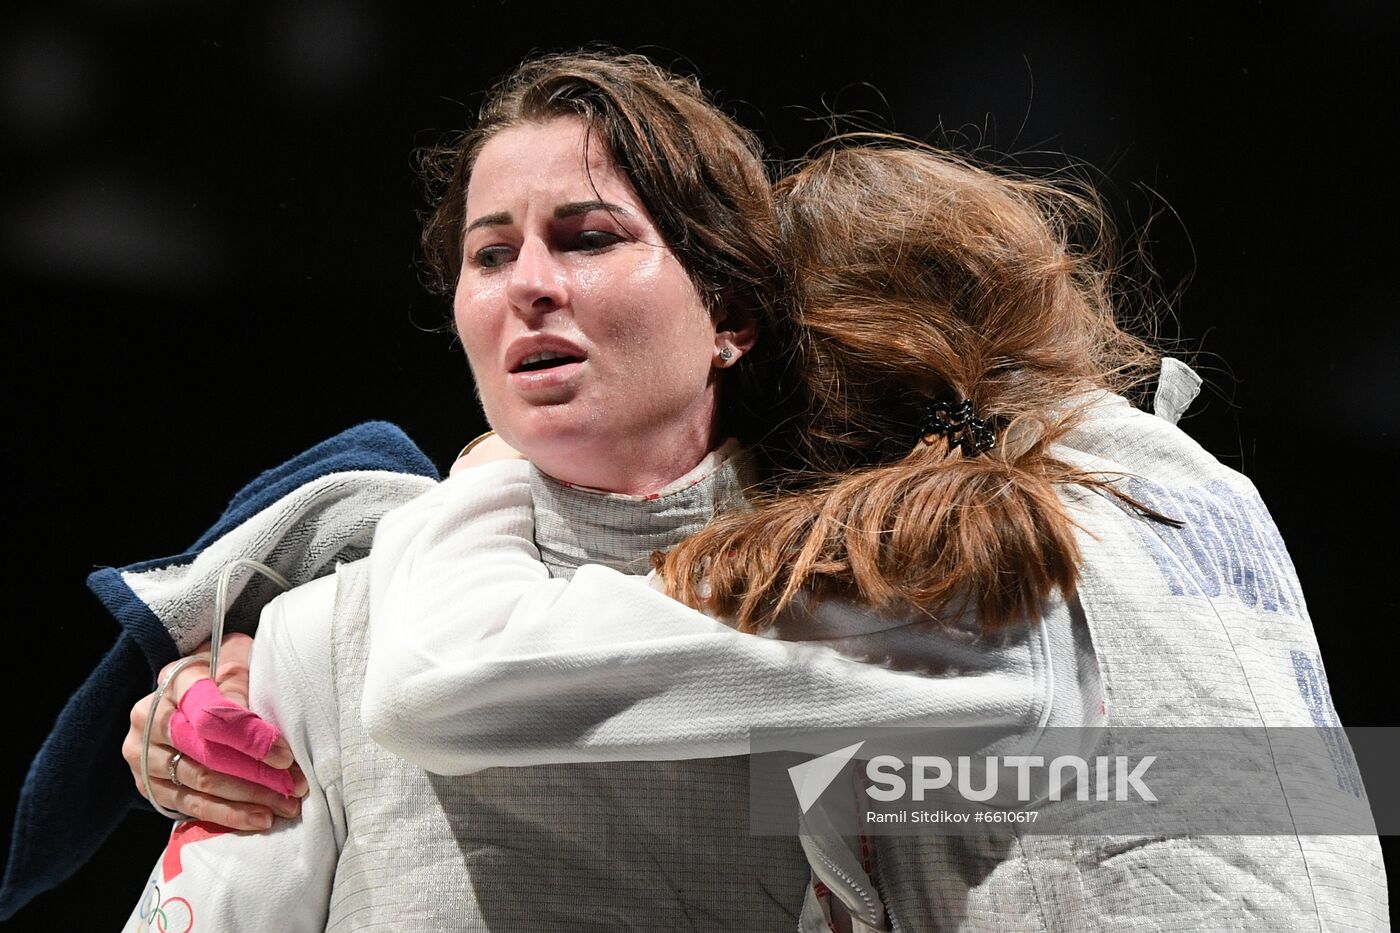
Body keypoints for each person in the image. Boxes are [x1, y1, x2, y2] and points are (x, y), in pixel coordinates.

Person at [354, 143, 1389, 929]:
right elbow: (1236, 778)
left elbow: (449, 679)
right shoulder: (1189, 481)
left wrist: (482, 475)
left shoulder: (972, 543)